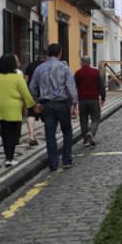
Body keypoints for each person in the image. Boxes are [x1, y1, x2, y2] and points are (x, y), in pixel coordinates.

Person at [29, 43, 79, 171]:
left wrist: (36, 102)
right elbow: (71, 88)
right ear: (60, 53)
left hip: (47, 105)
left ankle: (53, 164)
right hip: (62, 104)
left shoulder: (39, 69)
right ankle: (67, 160)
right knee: (67, 131)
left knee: (50, 134)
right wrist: (74, 104)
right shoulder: (64, 68)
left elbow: (32, 88)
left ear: (48, 54)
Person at [0, 54, 36, 167]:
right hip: (13, 108)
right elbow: (25, 93)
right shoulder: (17, 77)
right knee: (12, 134)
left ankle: (8, 158)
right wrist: (32, 105)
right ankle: (10, 158)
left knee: (5, 132)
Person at [75, 56, 106, 147]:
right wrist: (103, 97)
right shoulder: (95, 72)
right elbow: (101, 86)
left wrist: (73, 101)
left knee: (83, 120)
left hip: (82, 100)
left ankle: (85, 140)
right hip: (93, 99)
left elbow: (73, 86)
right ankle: (91, 133)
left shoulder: (78, 73)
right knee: (96, 118)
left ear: (81, 62)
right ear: (90, 62)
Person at [22, 55, 45, 147]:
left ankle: (32, 136)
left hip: (32, 92)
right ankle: (49, 135)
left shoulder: (30, 65)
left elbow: (26, 80)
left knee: (31, 114)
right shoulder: (46, 66)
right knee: (47, 116)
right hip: (45, 93)